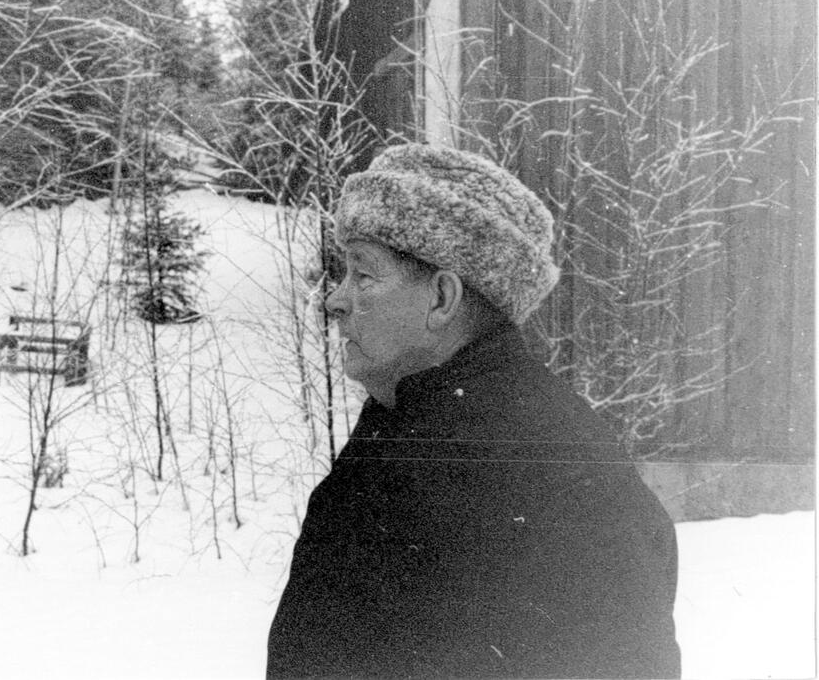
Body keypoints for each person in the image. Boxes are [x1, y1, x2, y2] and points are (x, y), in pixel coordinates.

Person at [266, 144, 680, 679]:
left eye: (363, 274)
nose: (335, 300)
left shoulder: (554, 478)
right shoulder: (403, 430)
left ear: (442, 298)